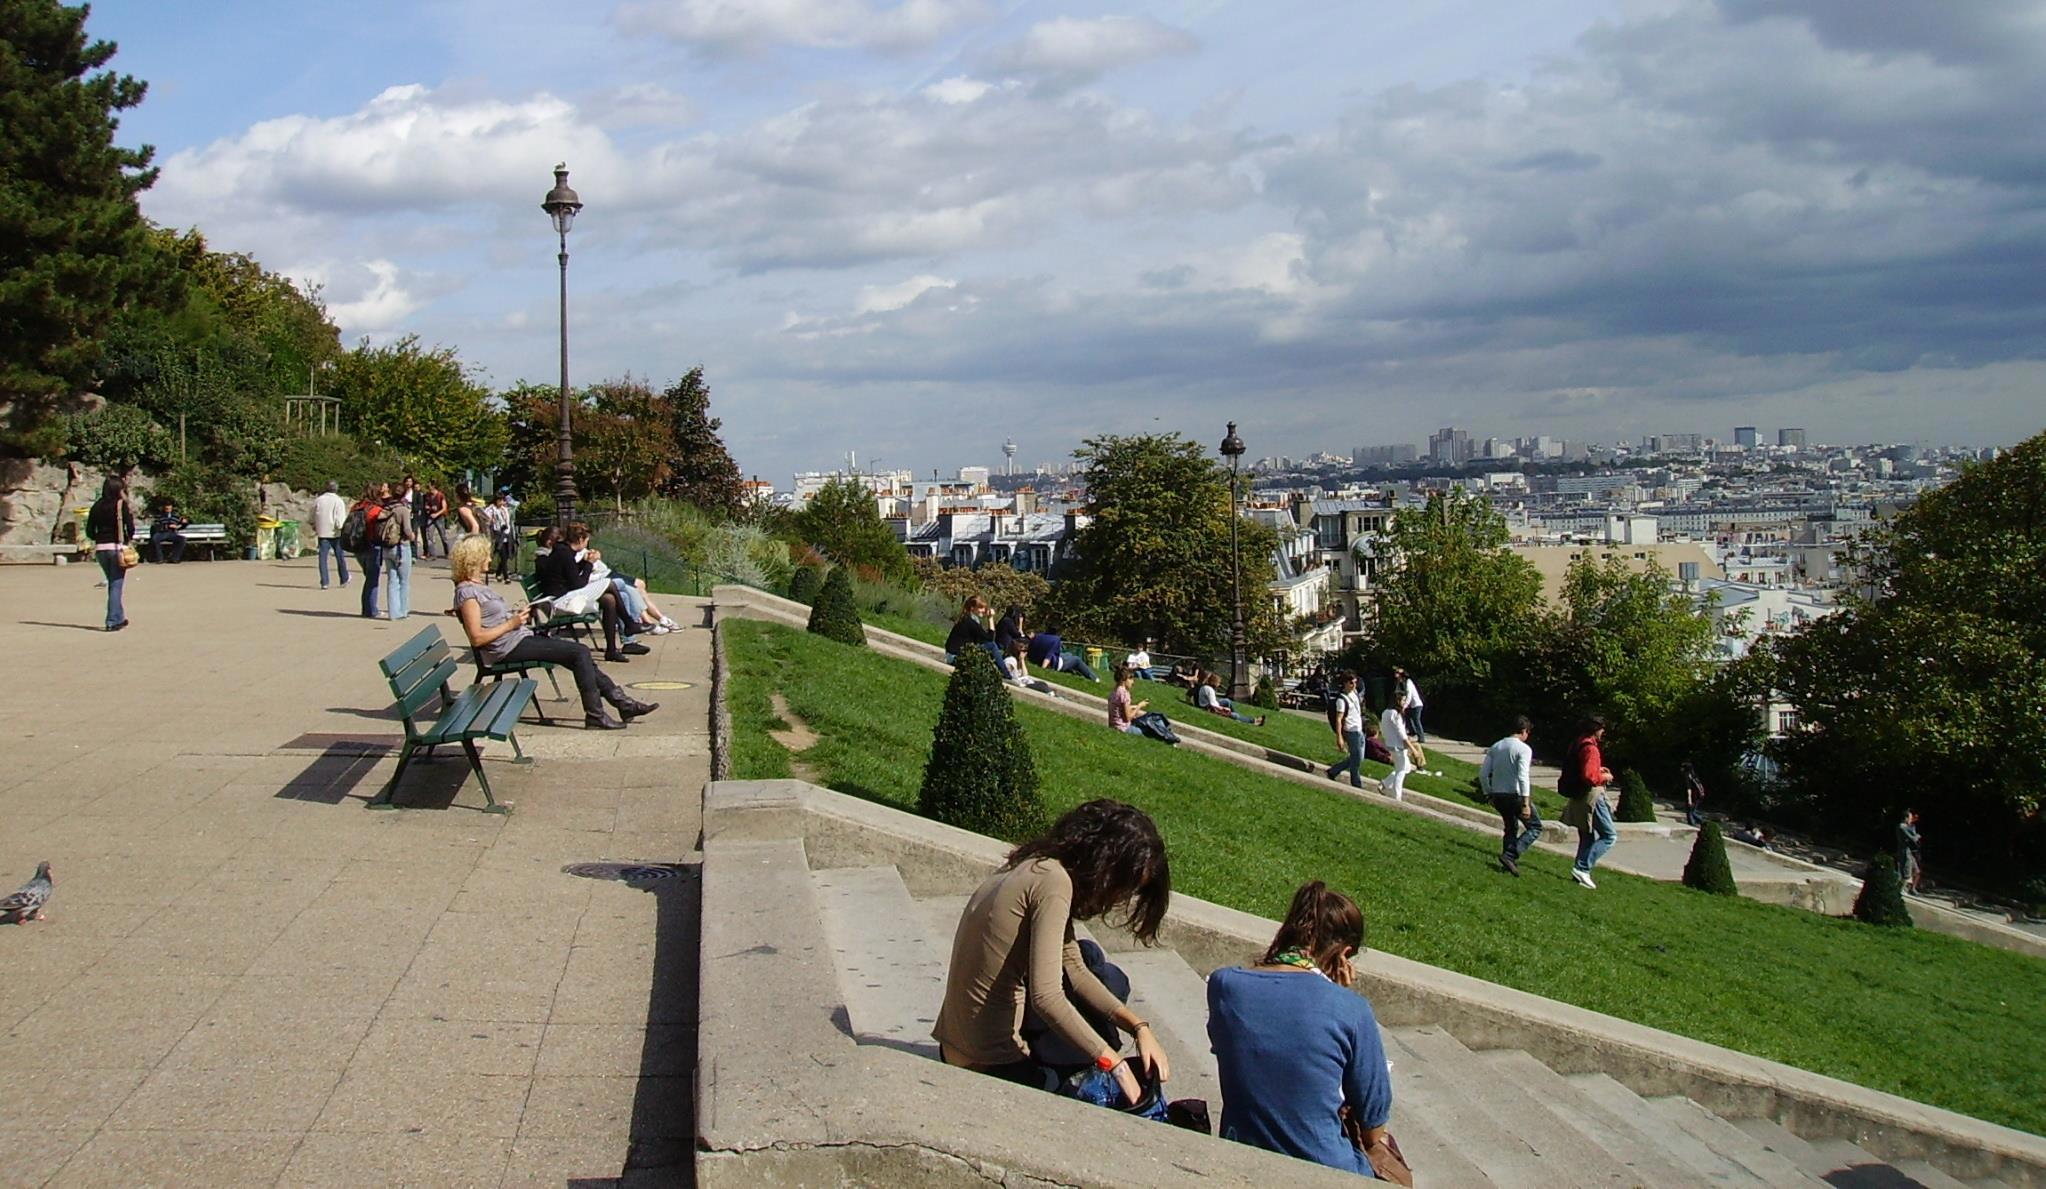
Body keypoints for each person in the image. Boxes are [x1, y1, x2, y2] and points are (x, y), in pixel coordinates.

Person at [934, 799, 1172, 1102]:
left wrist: (1139, 1028)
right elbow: (1047, 997)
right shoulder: (1054, 883)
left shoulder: (1035, 865)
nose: (1120, 899)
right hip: (991, 1063)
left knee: (1091, 961)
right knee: (1101, 1088)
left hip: (954, 1047)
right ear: (1106, 865)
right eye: (1125, 886)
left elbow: (1076, 970)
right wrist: (1115, 1064)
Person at [1207, 881, 1394, 1178]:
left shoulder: (1224, 986)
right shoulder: (1352, 1010)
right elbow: (1373, 1129)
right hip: (1327, 1169)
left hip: (1242, 1151)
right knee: (1389, 1154)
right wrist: (1338, 994)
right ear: (1343, 954)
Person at [448, 534, 656, 731]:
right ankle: (597, 714)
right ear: (474, 559)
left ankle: (623, 704)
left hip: (516, 638)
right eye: (485, 555)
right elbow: (477, 638)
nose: (489, 559)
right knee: (580, 652)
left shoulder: (477, 586)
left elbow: (492, 620)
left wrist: (518, 617)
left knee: (579, 656)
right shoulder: (467, 593)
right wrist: (511, 624)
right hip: (506, 648)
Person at [536, 522, 638, 662]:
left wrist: (584, 562)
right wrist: (590, 564)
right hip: (560, 602)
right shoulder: (564, 554)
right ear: (580, 540)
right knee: (610, 583)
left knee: (609, 599)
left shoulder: (562, 550)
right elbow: (578, 584)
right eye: (586, 540)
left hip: (564, 595)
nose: (587, 544)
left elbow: (569, 574)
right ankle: (629, 623)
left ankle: (612, 650)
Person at [1559, 716, 1618, 889]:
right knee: (1609, 836)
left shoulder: (1578, 743)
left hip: (1578, 795)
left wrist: (1597, 769)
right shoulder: (1591, 748)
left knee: (1587, 835)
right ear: (1595, 729)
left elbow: (1581, 769)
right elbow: (1589, 777)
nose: (1603, 732)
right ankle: (1583, 868)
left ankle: (1579, 870)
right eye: (1602, 728)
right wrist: (1605, 776)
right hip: (1592, 796)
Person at [1482, 716, 1542, 876]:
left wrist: (1488, 793)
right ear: (1524, 731)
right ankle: (1510, 855)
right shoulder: (1524, 749)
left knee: (1510, 827)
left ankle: (1508, 861)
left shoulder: (1496, 746)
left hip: (1498, 794)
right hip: (1515, 795)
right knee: (1535, 827)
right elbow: (1523, 776)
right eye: (1528, 732)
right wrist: (1526, 802)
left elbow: (1483, 774)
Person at [84, 476, 135, 631]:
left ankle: (120, 617)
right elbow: (130, 526)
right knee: (116, 584)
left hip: (101, 549)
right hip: (116, 548)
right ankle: (112, 621)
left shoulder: (96, 506)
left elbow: (90, 530)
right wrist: (128, 538)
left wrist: (98, 538)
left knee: (113, 582)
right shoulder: (120, 505)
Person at [380, 481, 415, 620]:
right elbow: (407, 529)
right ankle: (403, 611)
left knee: (392, 580)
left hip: (387, 546)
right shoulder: (403, 509)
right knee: (404, 581)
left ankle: (393, 612)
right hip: (401, 547)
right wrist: (412, 537)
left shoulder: (386, 508)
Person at [1325, 672, 1366, 788]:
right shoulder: (1341, 700)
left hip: (1359, 729)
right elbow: (1339, 719)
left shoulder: (1355, 693)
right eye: (1351, 683)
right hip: (1350, 731)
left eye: (1355, 682)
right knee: (1356, 759)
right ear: (1345, 683)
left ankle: (1334, 770)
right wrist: (1339, 737)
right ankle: (1356, 783)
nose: (1354, 685)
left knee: (1359, 757)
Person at [1378, 695, 1421, 803]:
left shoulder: (1385, 712)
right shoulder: (1396, 714)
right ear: (1397, 701)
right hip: (1398, 746)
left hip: (1390, 744)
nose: (1405, 702)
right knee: (1401, 770)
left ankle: (1385, 783)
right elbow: (1402, 734)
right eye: (1403, 700)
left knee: (1406, 767)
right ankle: (1396, 795)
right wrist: (1413, 749)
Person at [351, 483, 385, 619]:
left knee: (368, 578)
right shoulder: (376, 509)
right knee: (372, 579)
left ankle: (367, 608)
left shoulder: (356, 507)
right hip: (372, 545)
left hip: (357, 545)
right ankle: (371, 609)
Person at [311, 480, 349, 589]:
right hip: (335, 533)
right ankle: (344, 578)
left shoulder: (319, 500)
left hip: (322, 532)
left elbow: (312, 515)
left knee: (322, 558)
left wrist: (315, 525)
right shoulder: (338, 501)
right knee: (340, 556)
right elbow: (340, 519)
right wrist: (341, 528)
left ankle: (324, 582)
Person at [1027, 624, 1099, 681]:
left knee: (1068, 654)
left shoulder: (1038, 636)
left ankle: (1075, 672)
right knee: (1077, 660)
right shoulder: (1056, 639)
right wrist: (1043, 668)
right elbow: (1049, 656)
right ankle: (1094, 678)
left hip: (1037, 659)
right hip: (1054, 664)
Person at [944, 596, 999, 664]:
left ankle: (1002, 669)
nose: (984, 610)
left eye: (984, 608)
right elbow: (990, 639)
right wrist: (990, 618)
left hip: (951, 655)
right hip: (954, 657)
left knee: (989, 646)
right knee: (992, 645)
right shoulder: (970, 622)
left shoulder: (967, 618)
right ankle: (1005, 670)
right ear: (972, 608)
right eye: (981, 608)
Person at [1196, 672, 1266, 726]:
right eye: (1219, 682)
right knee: (1235, 715)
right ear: (1214, 682)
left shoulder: (1206, 687)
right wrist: (1223, 708)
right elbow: (1213, 705)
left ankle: (1236, 716)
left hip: (1209, 704)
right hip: (1210, 708)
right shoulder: (1209, 690)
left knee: (1227, 701)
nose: (1219, 684)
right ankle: (1254, 721)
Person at [1108, 663, 1152, 736]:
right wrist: (1139, 706)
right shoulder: (1125, 694)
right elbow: (1127, 718)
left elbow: (1119, 709)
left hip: (1113, 726)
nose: (1133, 682)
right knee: (1149, 730)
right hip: (1123, 728)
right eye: (1130, 679)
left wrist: (1132, 707)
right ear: (1123, 680)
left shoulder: (1114, 692)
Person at [147, 499, 190, 564]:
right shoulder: (160, 516)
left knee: (182, 539)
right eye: (166, 509)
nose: (168, 510)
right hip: (162, 533)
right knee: (155, 538)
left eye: (169, 508)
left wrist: (179, 526)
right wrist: (167, 526)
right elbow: (156, 526)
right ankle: (160, 558)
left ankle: (175, 558)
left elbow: (184, 524)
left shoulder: (176, 516)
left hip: (172, 534)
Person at [1394, 668, 1425, 744]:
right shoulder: (1400, 683)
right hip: (1410, 705)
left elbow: (1409, 696)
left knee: (1416, 720)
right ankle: (1412, 732)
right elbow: (1397, 692)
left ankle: (1421, 737)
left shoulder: (1408, 682)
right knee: (1407, 718)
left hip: (1416, 705)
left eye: (1397, 673)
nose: (1396, 674)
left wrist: (1404, 706)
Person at [420, 482, 451, 560]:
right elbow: (426, 504)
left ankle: (447, 552)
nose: (428, 488)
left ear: (433, 487)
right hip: (430, 517)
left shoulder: (440, 495)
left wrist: (437, 514)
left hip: (439, 517)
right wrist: (427, 507)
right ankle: (432, 554)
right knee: (429, 536)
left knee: (443, 536)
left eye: (429, 486)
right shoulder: (428, 496)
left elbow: (444, 508)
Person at [1897, 809, 1924, 895]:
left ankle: (1908, 888)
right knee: (1906, 872)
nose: (1911, 820)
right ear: (1905, 818)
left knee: (1916, 870)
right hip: (1905, 851)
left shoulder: (1907, 826)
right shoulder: (1902, 826)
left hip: (1909, 851)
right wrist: (1917, 836)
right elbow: (1912, 839)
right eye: (1910, 818)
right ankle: (1900, 889)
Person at [1682, 761, 1707, 827]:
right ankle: (1698, 822)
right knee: (1693, 811)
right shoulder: (1694, 775)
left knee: (1690, 811)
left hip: (1693, 796)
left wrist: (1689, 799)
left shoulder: (1687, 776)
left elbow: (1689, 789)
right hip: (1699, 796)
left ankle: (1699, 822)